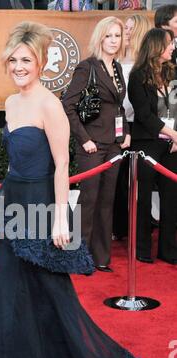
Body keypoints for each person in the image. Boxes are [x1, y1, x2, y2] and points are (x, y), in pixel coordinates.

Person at [0, 21, 153, 358]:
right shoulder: (10, 102)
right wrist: (2, 201)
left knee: (50, 291)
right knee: (5, 282)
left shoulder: (49, 104)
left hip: (41, 205)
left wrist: (60, 219)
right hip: (15, 202)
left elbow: (60, 167)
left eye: (27, 60)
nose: (19, 66)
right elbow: (15, 161)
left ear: (40, 63)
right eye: (14, 60)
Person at [62, 17, 131, 272]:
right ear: (99, 38)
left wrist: (125, 132)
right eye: (108, 36)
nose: (113, 41)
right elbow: (67, 106)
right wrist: (85, 139)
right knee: (89, 199)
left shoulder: (118, 69)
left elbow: (117, 106)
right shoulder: (86, 67)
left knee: (106, 200)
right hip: (91, 145)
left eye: (117, 36)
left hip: (113, 145)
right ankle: (76, 256)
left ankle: (101, 258)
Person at [128, 27, 177, 264]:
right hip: (146, 143)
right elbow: (144, 115)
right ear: (157, 46)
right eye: (169, 43)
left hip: (172, 144)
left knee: (171, 197)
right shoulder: (137, 76)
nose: (173, 47)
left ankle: (168, 250)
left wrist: (175, 137)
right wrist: (174, 134)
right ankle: (142, 249)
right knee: (144, 198)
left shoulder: (173, 73)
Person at [113, 14, 151, 240]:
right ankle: (119, 227)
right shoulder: (114, 62)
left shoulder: (145, 66)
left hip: (141, 128)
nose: (126, 33)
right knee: (117, 180)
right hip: (119, 126)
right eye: (124, 28)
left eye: (130, 29)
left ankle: (139, 229)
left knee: (137, 183)